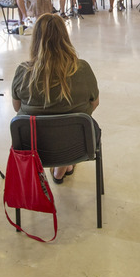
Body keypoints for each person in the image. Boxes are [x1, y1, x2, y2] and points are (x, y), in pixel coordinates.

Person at [11, 13, 99, 183]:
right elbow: (94, 103)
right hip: (77, 145)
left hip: (34, 147)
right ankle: (63, 165)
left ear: (35, 40)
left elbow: (17, 108)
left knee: (46, 125)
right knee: (75, 123)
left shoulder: (23, 71)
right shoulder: (82, 68)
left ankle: (60, 166)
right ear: (65, 37)